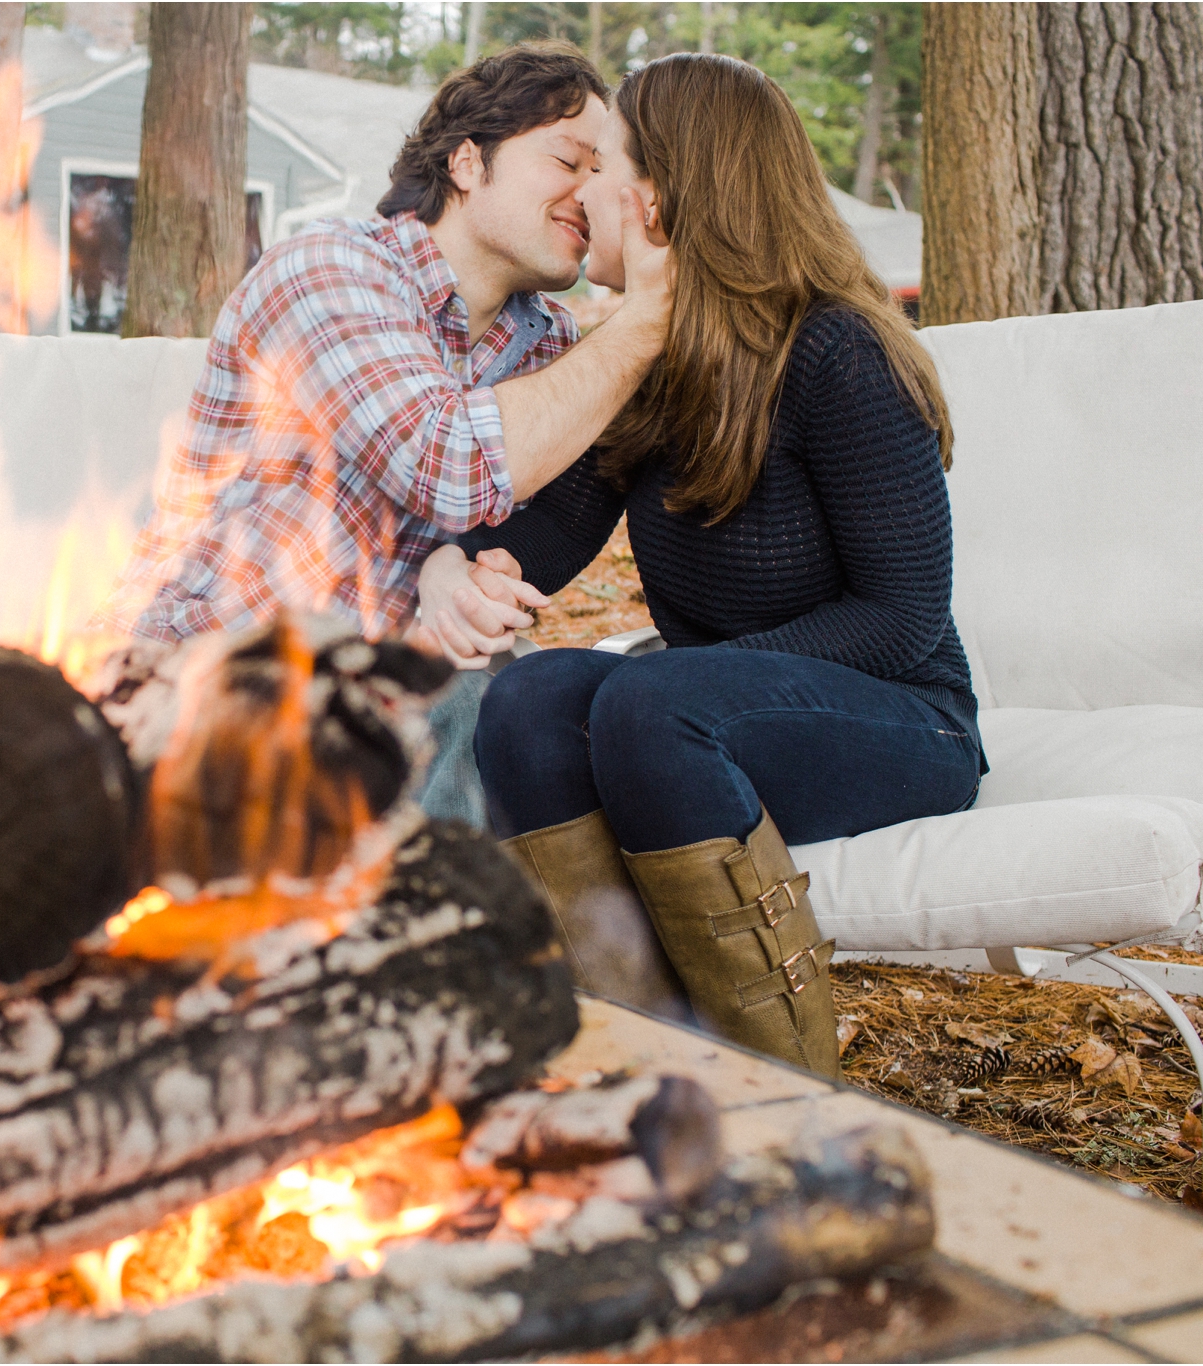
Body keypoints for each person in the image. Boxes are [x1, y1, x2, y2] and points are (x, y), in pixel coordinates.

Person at [449, 53, 985, 1077]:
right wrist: (435, 574)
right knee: (529, 700)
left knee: (648, 704)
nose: (575, 191)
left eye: (595, 164)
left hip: (903, 721)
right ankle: (641, 1067)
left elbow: (902, 617)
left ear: (654, 197)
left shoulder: (838, 352)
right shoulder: (645, 361)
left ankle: (776, 1101)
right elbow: (543, 542)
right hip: (702, 719)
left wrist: (687, 683)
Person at [94, 42, 675, 825]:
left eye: (602, 172)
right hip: (203, 685)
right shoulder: (333, 270)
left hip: (378, 702)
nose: (590, 193)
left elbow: (545, 520)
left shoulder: (547, 346)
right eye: (569, 160)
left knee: (541, 705)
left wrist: (455, 572)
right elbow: (450, 465)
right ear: (469, 162)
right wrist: (647, 315)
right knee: (466, 701)